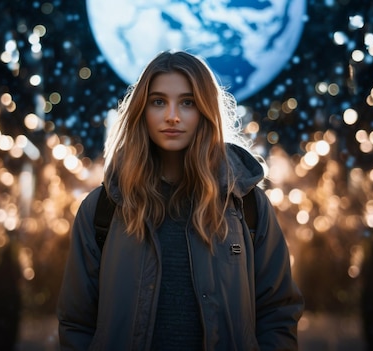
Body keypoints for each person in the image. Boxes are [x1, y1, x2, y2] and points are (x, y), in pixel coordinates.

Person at [57, 50, 303, 350]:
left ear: (205, 111)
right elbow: (76, 322)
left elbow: (278, 312)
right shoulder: (103, 209)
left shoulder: (246, 206)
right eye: (158, 101)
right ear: (141, 111)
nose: (172, 115)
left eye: (187, 102)